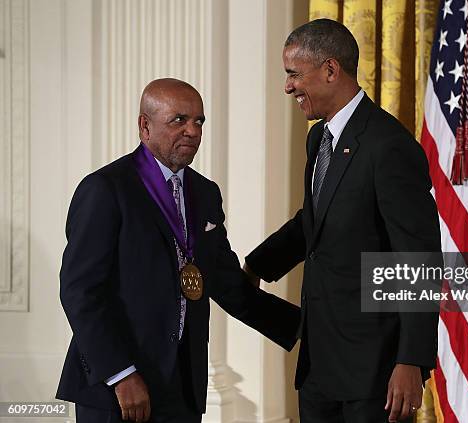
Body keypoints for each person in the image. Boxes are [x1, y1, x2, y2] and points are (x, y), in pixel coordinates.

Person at [56, 78, 300, 423]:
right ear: (145, 125)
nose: (192, 131)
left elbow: (227, 283)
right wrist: (121, 374)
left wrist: (305, 326)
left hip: (182, 386)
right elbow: (80, 292)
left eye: (199, 121)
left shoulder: (205, 193)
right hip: (116, 389)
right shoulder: (105, 189)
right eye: (179, 120)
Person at [243, 19, 442, 423]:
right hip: (320, 364)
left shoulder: (389, 146)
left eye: (294, 74)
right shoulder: (320, 139)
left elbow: (419, 258)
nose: (287, 87)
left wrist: (412, 361)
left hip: (375, 374)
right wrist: (256, 266)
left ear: (331, 70)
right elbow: (315, 220)